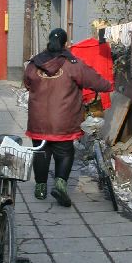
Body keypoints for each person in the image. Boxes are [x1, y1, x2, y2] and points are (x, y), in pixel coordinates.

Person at [24, 28, 112, 206]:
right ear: (65, 43)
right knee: (65, 152)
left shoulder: (34, 63)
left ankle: (40, 188)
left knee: (41, 151)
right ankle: (60, 185)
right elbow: (93, 80)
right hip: (64, 120)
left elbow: (27, 83)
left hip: (38, 119)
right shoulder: (73, 64)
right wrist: (108, 86)